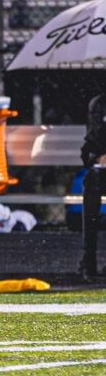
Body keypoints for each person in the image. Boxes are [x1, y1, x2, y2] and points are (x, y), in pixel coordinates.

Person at [79, 94, 106, 282]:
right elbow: (88, 148)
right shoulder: (100, 104)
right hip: (101, 174)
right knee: (93, 181)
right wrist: (98, 157)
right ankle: (89, 260)